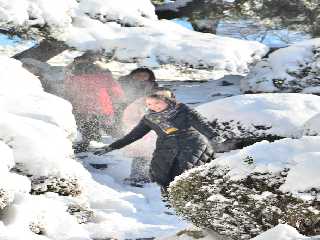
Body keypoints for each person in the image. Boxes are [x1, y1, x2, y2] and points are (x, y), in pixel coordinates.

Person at [95, 94, 217, 188]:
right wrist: (112, 146)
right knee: (161, 176)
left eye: (157, 102)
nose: (153, 106)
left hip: (191, 145)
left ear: (167, 101)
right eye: (149, 104)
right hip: (165, 148)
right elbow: (134, 135)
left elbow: (202, 125)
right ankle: (171, 205)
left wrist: (215, 138)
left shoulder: (184, 111)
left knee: (185, 175)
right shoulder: (149, 118)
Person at [64, 51, 125, 153]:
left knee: (89, 134)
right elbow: (117, 93)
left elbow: (68, 90)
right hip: (103, 108)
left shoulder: (72, 75)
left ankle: (91, 156)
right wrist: (116, 101)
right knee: (111, 131)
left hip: (83, 109)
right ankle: (125, 146)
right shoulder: (104, 74)